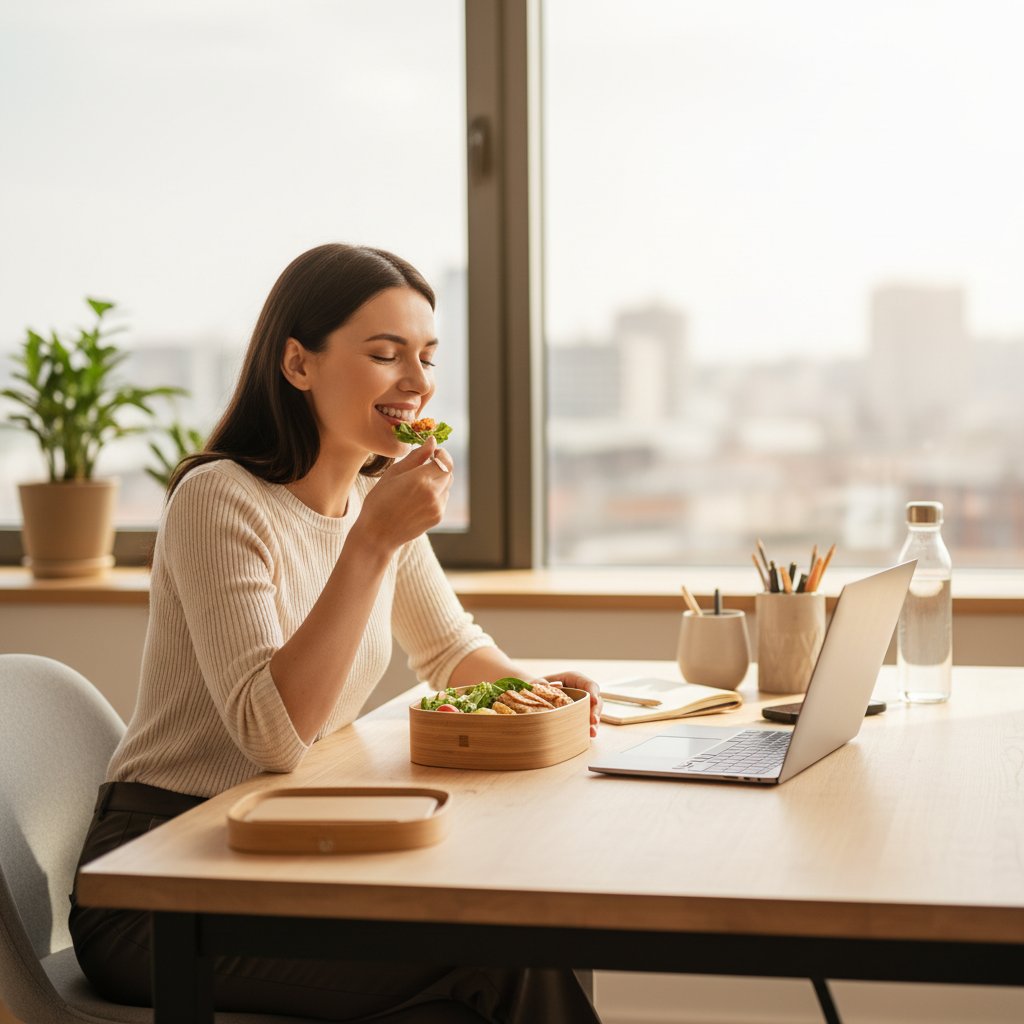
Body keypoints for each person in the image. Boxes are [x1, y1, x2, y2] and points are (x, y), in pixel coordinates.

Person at [68, 242, 603, 1023]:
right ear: (298, 365)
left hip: (283, 845)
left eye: (426, 355)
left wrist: (538, 697)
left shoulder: (371, 496)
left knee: (516, 933)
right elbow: (272, 736)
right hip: (160, 880)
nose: (417, 383)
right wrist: (372, 544)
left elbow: (450, 650)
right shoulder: (220, 500)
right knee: (493, 962)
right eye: (385, 355)